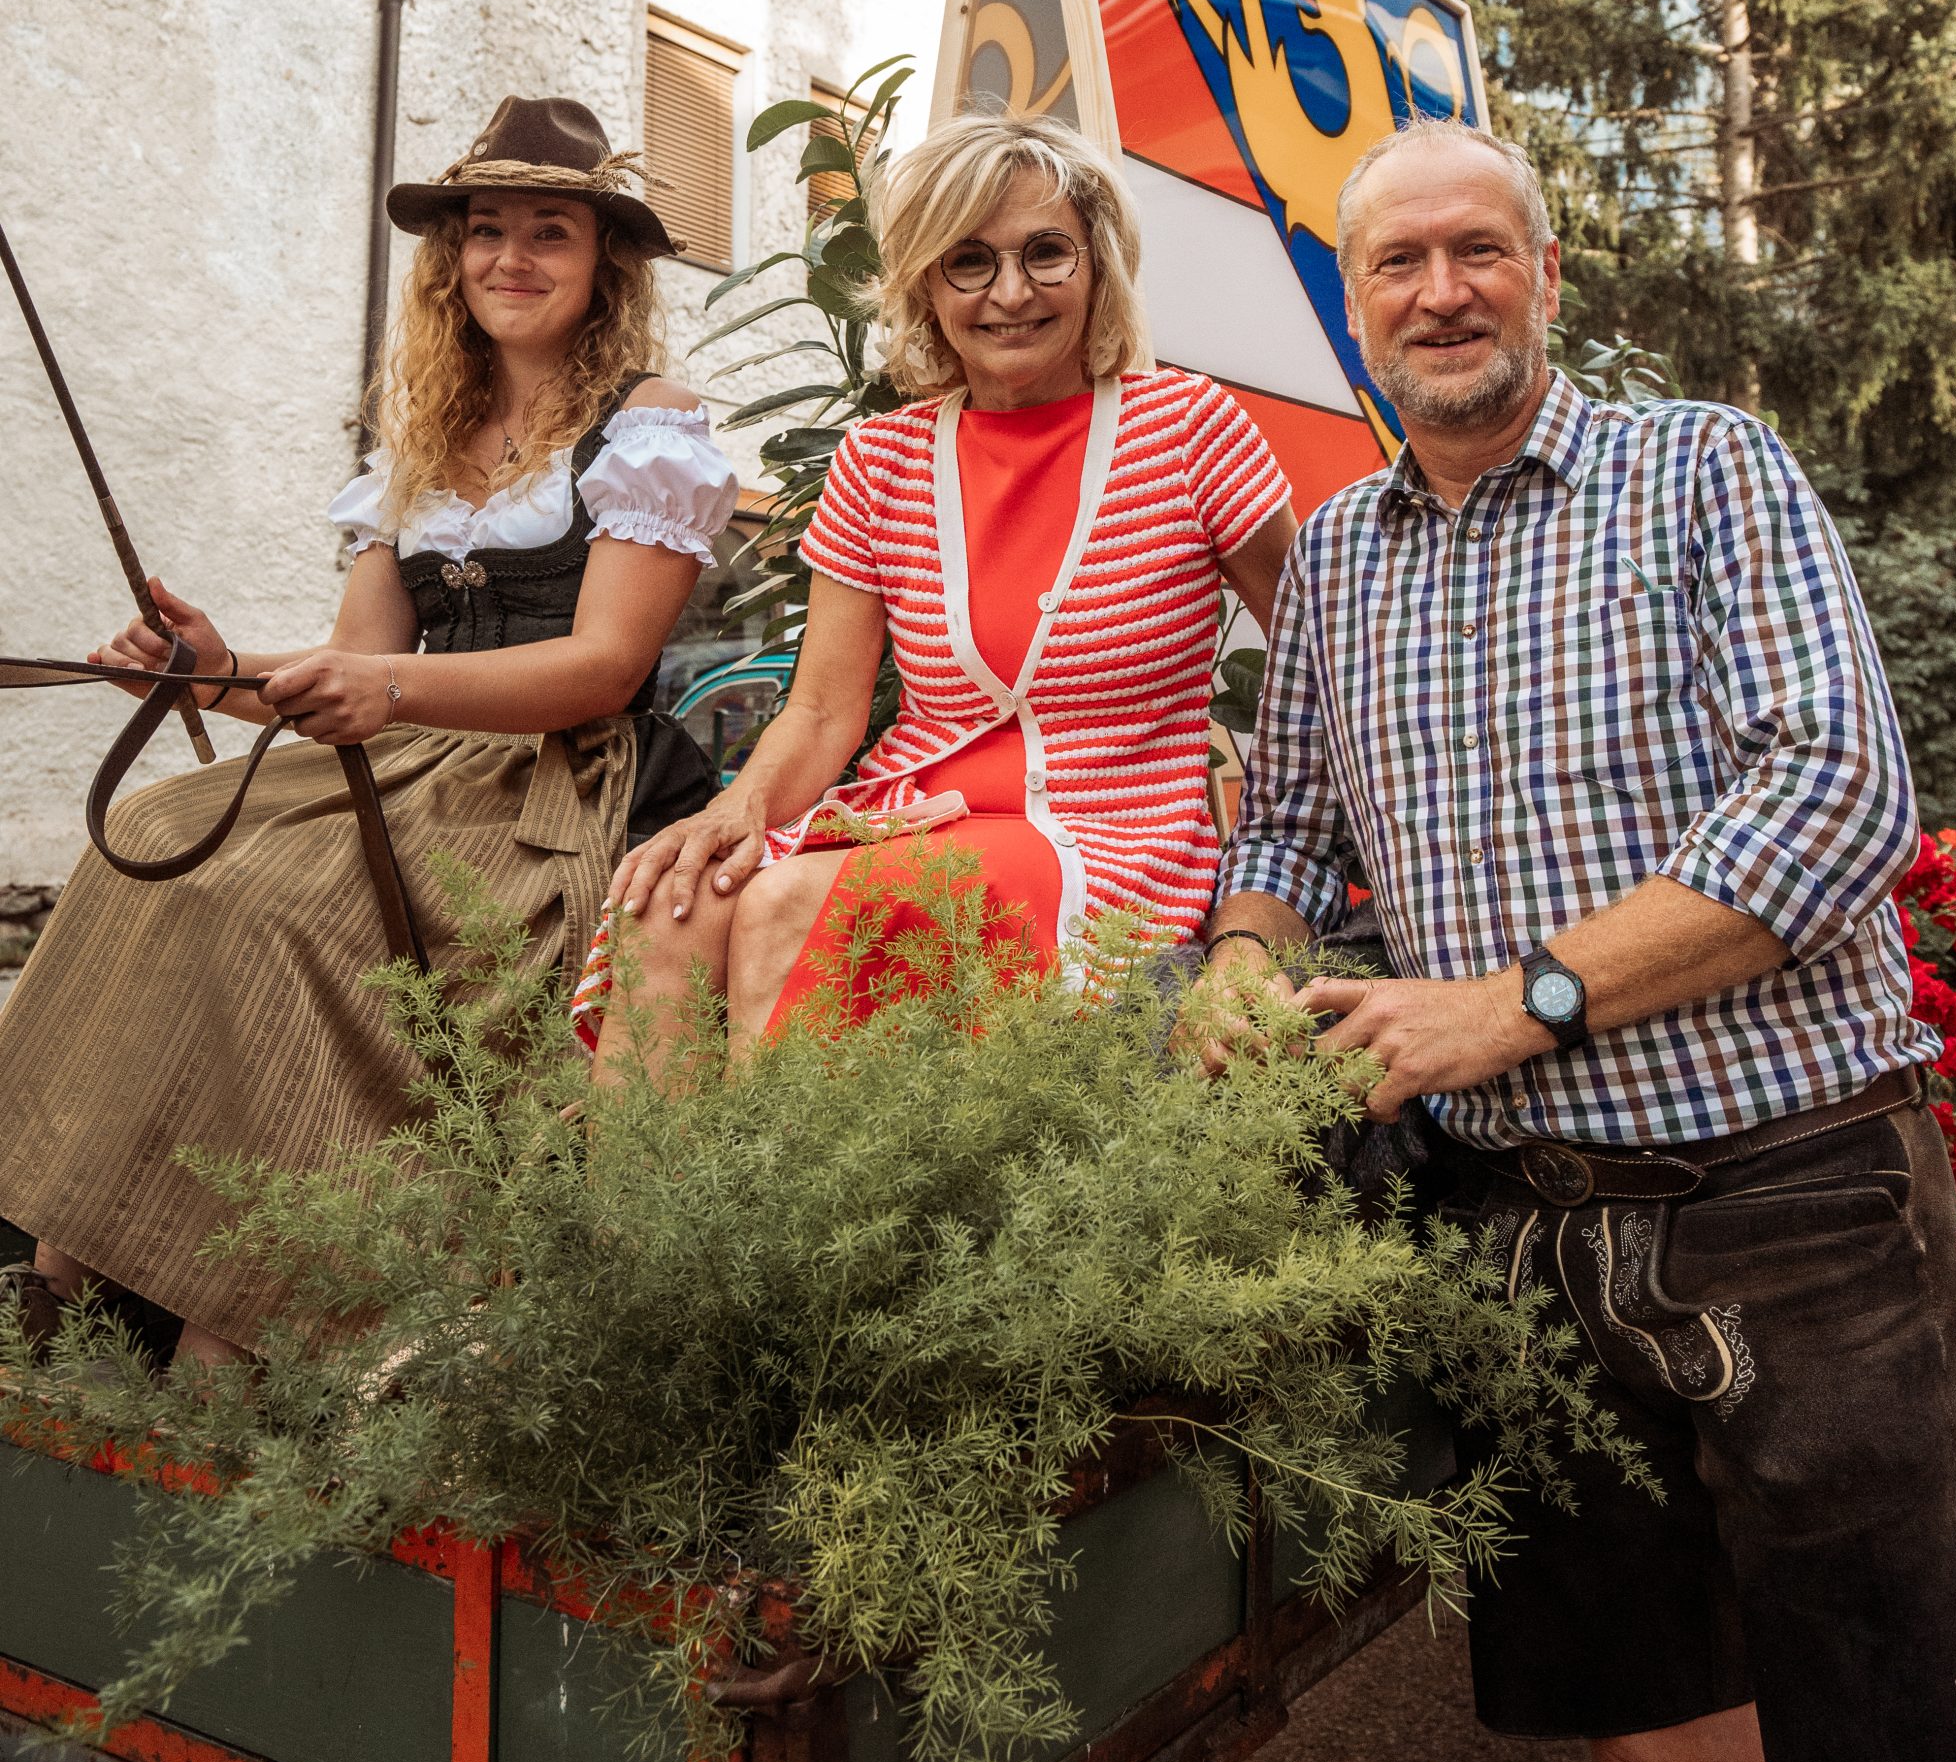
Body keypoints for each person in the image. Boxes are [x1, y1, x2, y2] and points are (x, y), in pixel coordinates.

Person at [1197, 116, 1956, 1762]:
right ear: (1349, 303)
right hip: (1530, 1253)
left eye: (1477, 249)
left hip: (1795, 1208)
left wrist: (1524, 998)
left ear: (1546, 274)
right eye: (1393, 262)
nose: (1438, 289)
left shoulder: (1700, 471)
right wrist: (1244, 962)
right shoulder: (1331, 559)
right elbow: (1291, 844)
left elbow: (1839, 791)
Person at [0, 96, 736, 1363]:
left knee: (276, 908)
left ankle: (263, 1307)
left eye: (547, 233)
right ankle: (70, 1259)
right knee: (156, 837)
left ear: (601, 261)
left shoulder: (647, 421)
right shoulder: (424, 433)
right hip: (413, 759)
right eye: (484, 230)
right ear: (449, 259)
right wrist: (207, 671)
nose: (510, 258)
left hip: (560, 780)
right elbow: (361, 654)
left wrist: (384, 695)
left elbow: (604, 669)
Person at [578, 108, 1297, 1077]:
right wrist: (732, 809)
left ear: (1096, 265)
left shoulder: (1188, 427)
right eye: (969, 261)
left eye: (1046, 253)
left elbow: (1313, 660)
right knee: (673, 904)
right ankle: (635, 1225)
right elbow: (826, 709)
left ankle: (774, 1213)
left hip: (1104, 833)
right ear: (924, 279)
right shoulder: (882, 457)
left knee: (785, 905)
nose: (1010, 293)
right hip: (907, 816)